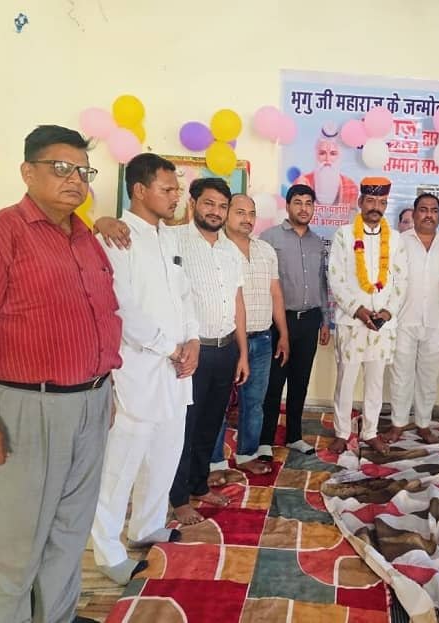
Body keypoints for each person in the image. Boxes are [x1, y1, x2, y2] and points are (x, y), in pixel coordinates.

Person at [0, 125, 120, 623]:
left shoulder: (86, 239)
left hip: (90, 403)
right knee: (18, 547)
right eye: (61, 168)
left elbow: (99, 317)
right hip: (26, 409)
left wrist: (104, 391)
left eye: (83, 171)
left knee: (69, 533)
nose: (75, 179)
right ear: (27, 172)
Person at [94, 179, 251, 522]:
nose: (216, 212)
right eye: (208, 203)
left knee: (211, 425)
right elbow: (122, 236)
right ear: (192, 204)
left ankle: (198, 485)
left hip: (224, 348)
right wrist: (101, 222)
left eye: (222, 206)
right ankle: (178, 499)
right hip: (189, 353)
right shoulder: (172, 238)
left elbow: (237, 302)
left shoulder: (230, 251)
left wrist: (242, 352)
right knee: (183, 428)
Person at [91, 153, 198, 585]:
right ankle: (107, 550)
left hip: (176, 368)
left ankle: (147, 526)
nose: (175, 197)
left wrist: (192, 340)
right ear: (139, 190)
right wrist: (169, 347)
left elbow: (186, 295)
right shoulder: (116, 237)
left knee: (165, 452)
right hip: (137, 368)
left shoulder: (169, 238)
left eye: (177, 189)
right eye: (167, 189)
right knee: (121, 464)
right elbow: (122, 308)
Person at [327, 176, 408, 456]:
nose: (376, 207)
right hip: (352, 321)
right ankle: (342, 432)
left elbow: (401, 280)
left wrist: (387, 312)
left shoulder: (395, 239)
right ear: (360, 202)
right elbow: (336, 278)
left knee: (375, 382)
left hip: (382, 326)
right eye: (371, 201)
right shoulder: (344, 235)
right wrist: (359, 310)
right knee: (346, 380)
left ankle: (370, 432)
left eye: (381, 202)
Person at [208, 194, 288, 476]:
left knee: (254, 403)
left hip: (263, 339)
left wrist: (283, 334)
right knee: (218, 403)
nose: (247, 218)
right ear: (227, 214)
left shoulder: (266, 250)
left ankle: (246, 454)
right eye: (240, 212)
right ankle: (214, 462)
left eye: (252, 213)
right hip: (228, 341)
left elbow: (276, 293)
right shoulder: (215, 248)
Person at [259, 184, 330, 458]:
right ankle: (265, 439)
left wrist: (325, 320)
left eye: (308, 203)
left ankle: (294, 436)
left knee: (300, 382)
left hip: (309, 320)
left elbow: (321, 284)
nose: (303, 208)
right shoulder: (269, 238)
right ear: (288, 206)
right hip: (279, 321)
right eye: (298, 202)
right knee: (274, 383)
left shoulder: (318, 243)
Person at [383, 193, 439, 446]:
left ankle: (424, 424)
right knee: (400, 375)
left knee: (429, 376)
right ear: (413, 214)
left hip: (436, 321)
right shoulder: (399, 242)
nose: (428, 215)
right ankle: (398, 424)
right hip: (404, 320)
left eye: (434, 210)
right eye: (423, 210)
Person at [294, 123, 359, 207]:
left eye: (333, 154)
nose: (327, 159)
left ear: (339, 157)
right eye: (322, 153)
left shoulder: (350, 187)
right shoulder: (301, 183)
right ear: (316, 155)